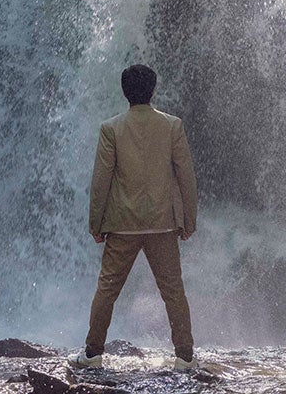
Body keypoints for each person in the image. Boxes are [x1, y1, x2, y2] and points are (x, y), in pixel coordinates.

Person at [69, 63, 199, 371]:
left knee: (107, 290)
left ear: (124, 92)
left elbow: (101, 180)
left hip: (122, 224)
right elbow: (186, 176)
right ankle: (185, 356)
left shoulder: (111, 128)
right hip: (163, 223)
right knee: (173, 291)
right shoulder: (172, 126)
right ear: (153, 91)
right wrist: (188, 221)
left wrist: (96, 224)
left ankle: (92, 353)